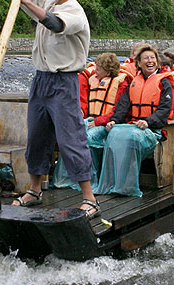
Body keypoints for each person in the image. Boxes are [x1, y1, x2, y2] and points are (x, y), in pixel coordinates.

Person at [10, 0, 99, 218]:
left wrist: (27, 2)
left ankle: (89, 197)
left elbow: (54, 23)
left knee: (70, 137)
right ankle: (35, 189)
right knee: (37, 136)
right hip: (41, 80)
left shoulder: (75, 10)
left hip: (64, 83)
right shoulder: (46, 0)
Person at [93, 45, 174, 197]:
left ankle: (127, 186)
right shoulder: (133, 83)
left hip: (152, 130)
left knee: (131, 138)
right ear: (138, 63)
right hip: (132, 126)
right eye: (146, 58)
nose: (150, 61)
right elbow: (122, 108)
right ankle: (112, 183)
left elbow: (164, 110)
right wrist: (113, 121)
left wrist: (148, 121)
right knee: (113, 134)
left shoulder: (165, 83)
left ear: (157, 61)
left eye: (152, 58)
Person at [53, 53, 131, 190]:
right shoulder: (93, 80)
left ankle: (90, 179)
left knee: (87, 138)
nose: (95, 71)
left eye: (99, 69)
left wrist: (98, 122)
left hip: (110, 124)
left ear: (108, 71)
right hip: (93, 120)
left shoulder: (121, 84)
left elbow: (119, 112)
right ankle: (69, 177)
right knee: (72, 135)